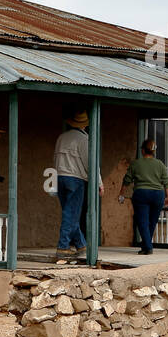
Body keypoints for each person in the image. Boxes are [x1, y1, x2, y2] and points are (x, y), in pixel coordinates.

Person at [53, 110, 103, 258]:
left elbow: (54, 158)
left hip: (60, 177)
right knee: (71, 213)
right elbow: (91, 163)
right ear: (85, 125)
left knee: (70, 213)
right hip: (75, 179)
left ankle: (81, 245)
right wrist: (99, 182)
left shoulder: (61, 137)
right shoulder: (84, 139)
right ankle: (63, 247)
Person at [120, 138, 168, 254]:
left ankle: (148, 247)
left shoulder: (136, 164)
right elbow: (166, 181)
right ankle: (145, 246)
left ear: (143, 150)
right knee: (152, 222)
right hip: (158, 194)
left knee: (142, 221)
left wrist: (121, 193)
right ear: (153, 151)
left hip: (142, 193)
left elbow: (127, 180)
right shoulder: (160, 164)